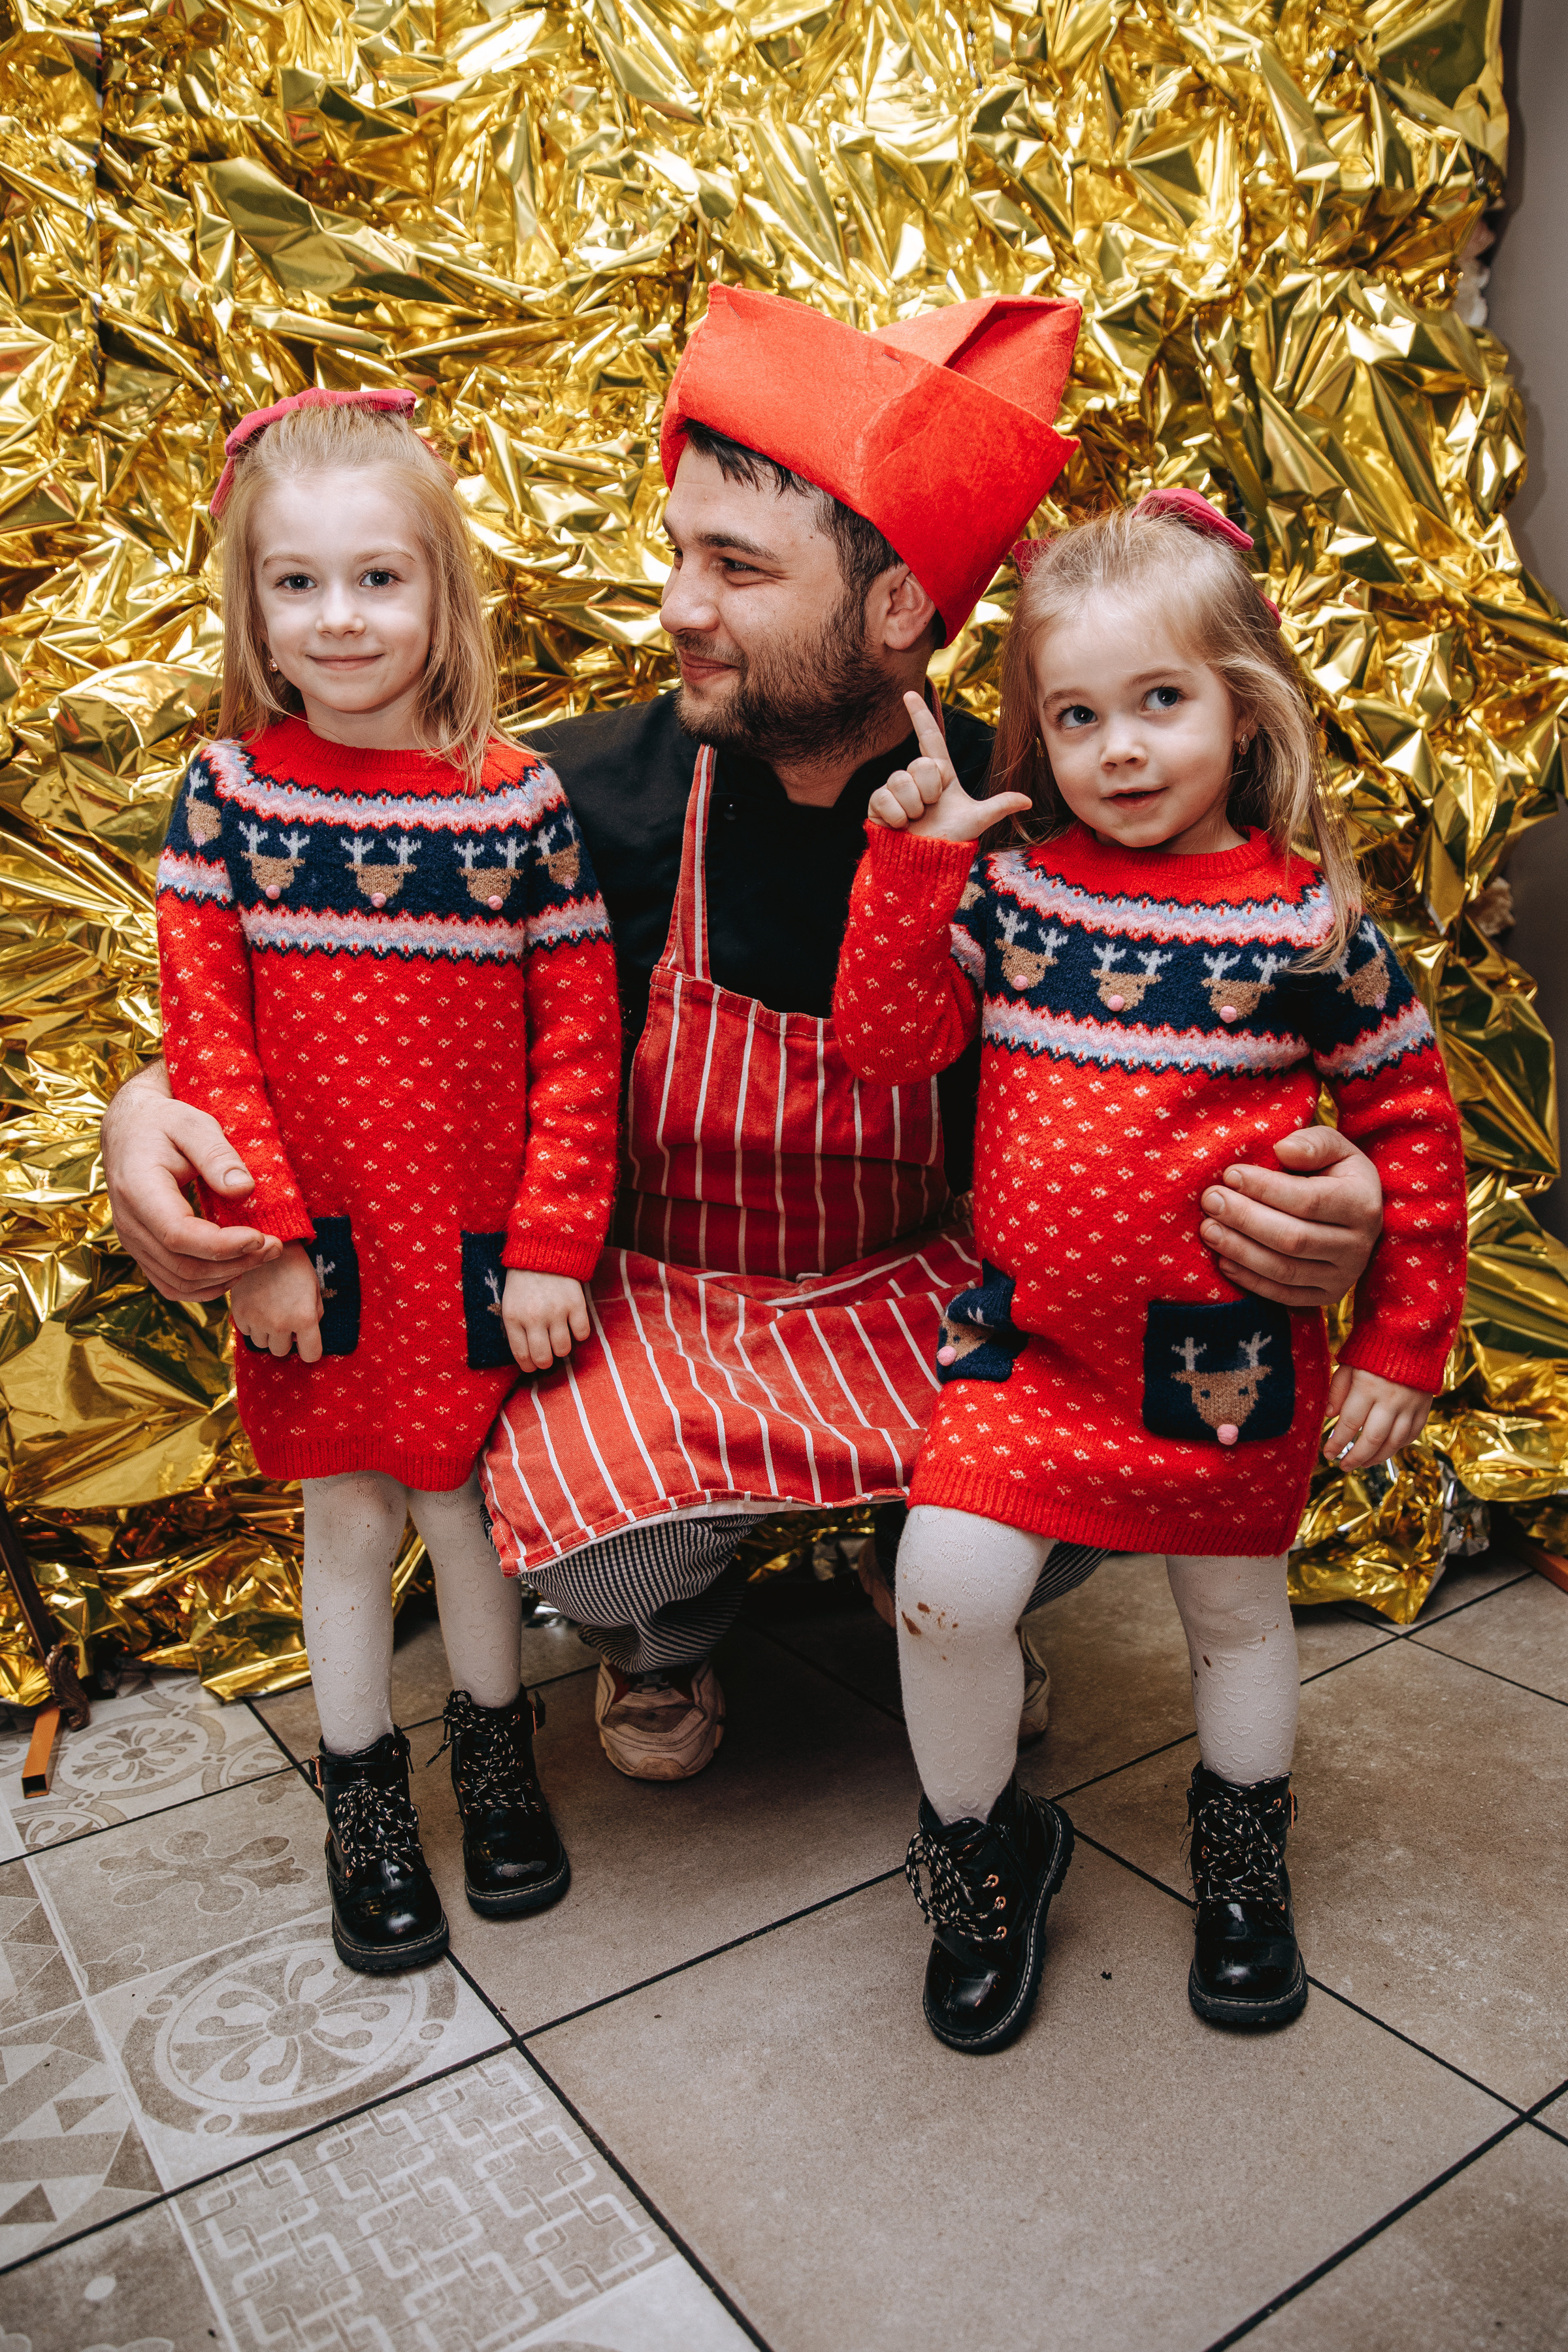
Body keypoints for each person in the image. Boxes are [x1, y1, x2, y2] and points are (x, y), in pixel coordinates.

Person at [106, 291, 1387, 1791]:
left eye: (735, 566)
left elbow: (1254, 1027)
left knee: (1079, 1433)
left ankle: (935, 1596)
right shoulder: (559, 801)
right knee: (585, 1537)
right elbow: (327, 1002)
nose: (678, 606)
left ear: (899, 606)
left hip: (919, 1297)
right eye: (676, 553)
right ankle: (671, 1628)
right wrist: (150, 1112)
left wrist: (1342, 1201)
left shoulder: (1047, 817)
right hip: (663, 1310)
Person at [832, 491, 1467, 2053]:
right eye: (1077, 716)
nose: (1118, 749)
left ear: (1241, 710)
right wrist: (909, 875)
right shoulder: (1013, 893)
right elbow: (885, 1048)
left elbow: (1414, 1124)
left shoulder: (1310, 925)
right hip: (1027, 1346)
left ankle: (1244, 1865)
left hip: (1220, 1357)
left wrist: (1400, 1342)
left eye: (1159, 702)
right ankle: (983, 1855)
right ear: (1034, 732)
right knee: (942, 1595)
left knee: (1237, 1626)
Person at [154, 387, 621, 1972]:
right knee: (349, 1530)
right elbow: (206, 1042)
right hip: (324, 1258)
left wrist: (554, 1247)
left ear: (441, 595)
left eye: (378, 578)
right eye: (298, 583)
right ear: (255, 609)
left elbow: (581, 1048)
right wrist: (265, 1244)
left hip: (482, 1256)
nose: (340, 617)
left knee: (474, 1520)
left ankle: (496, 1767)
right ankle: (365, 1805)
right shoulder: (229, 806)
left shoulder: (518, 806)